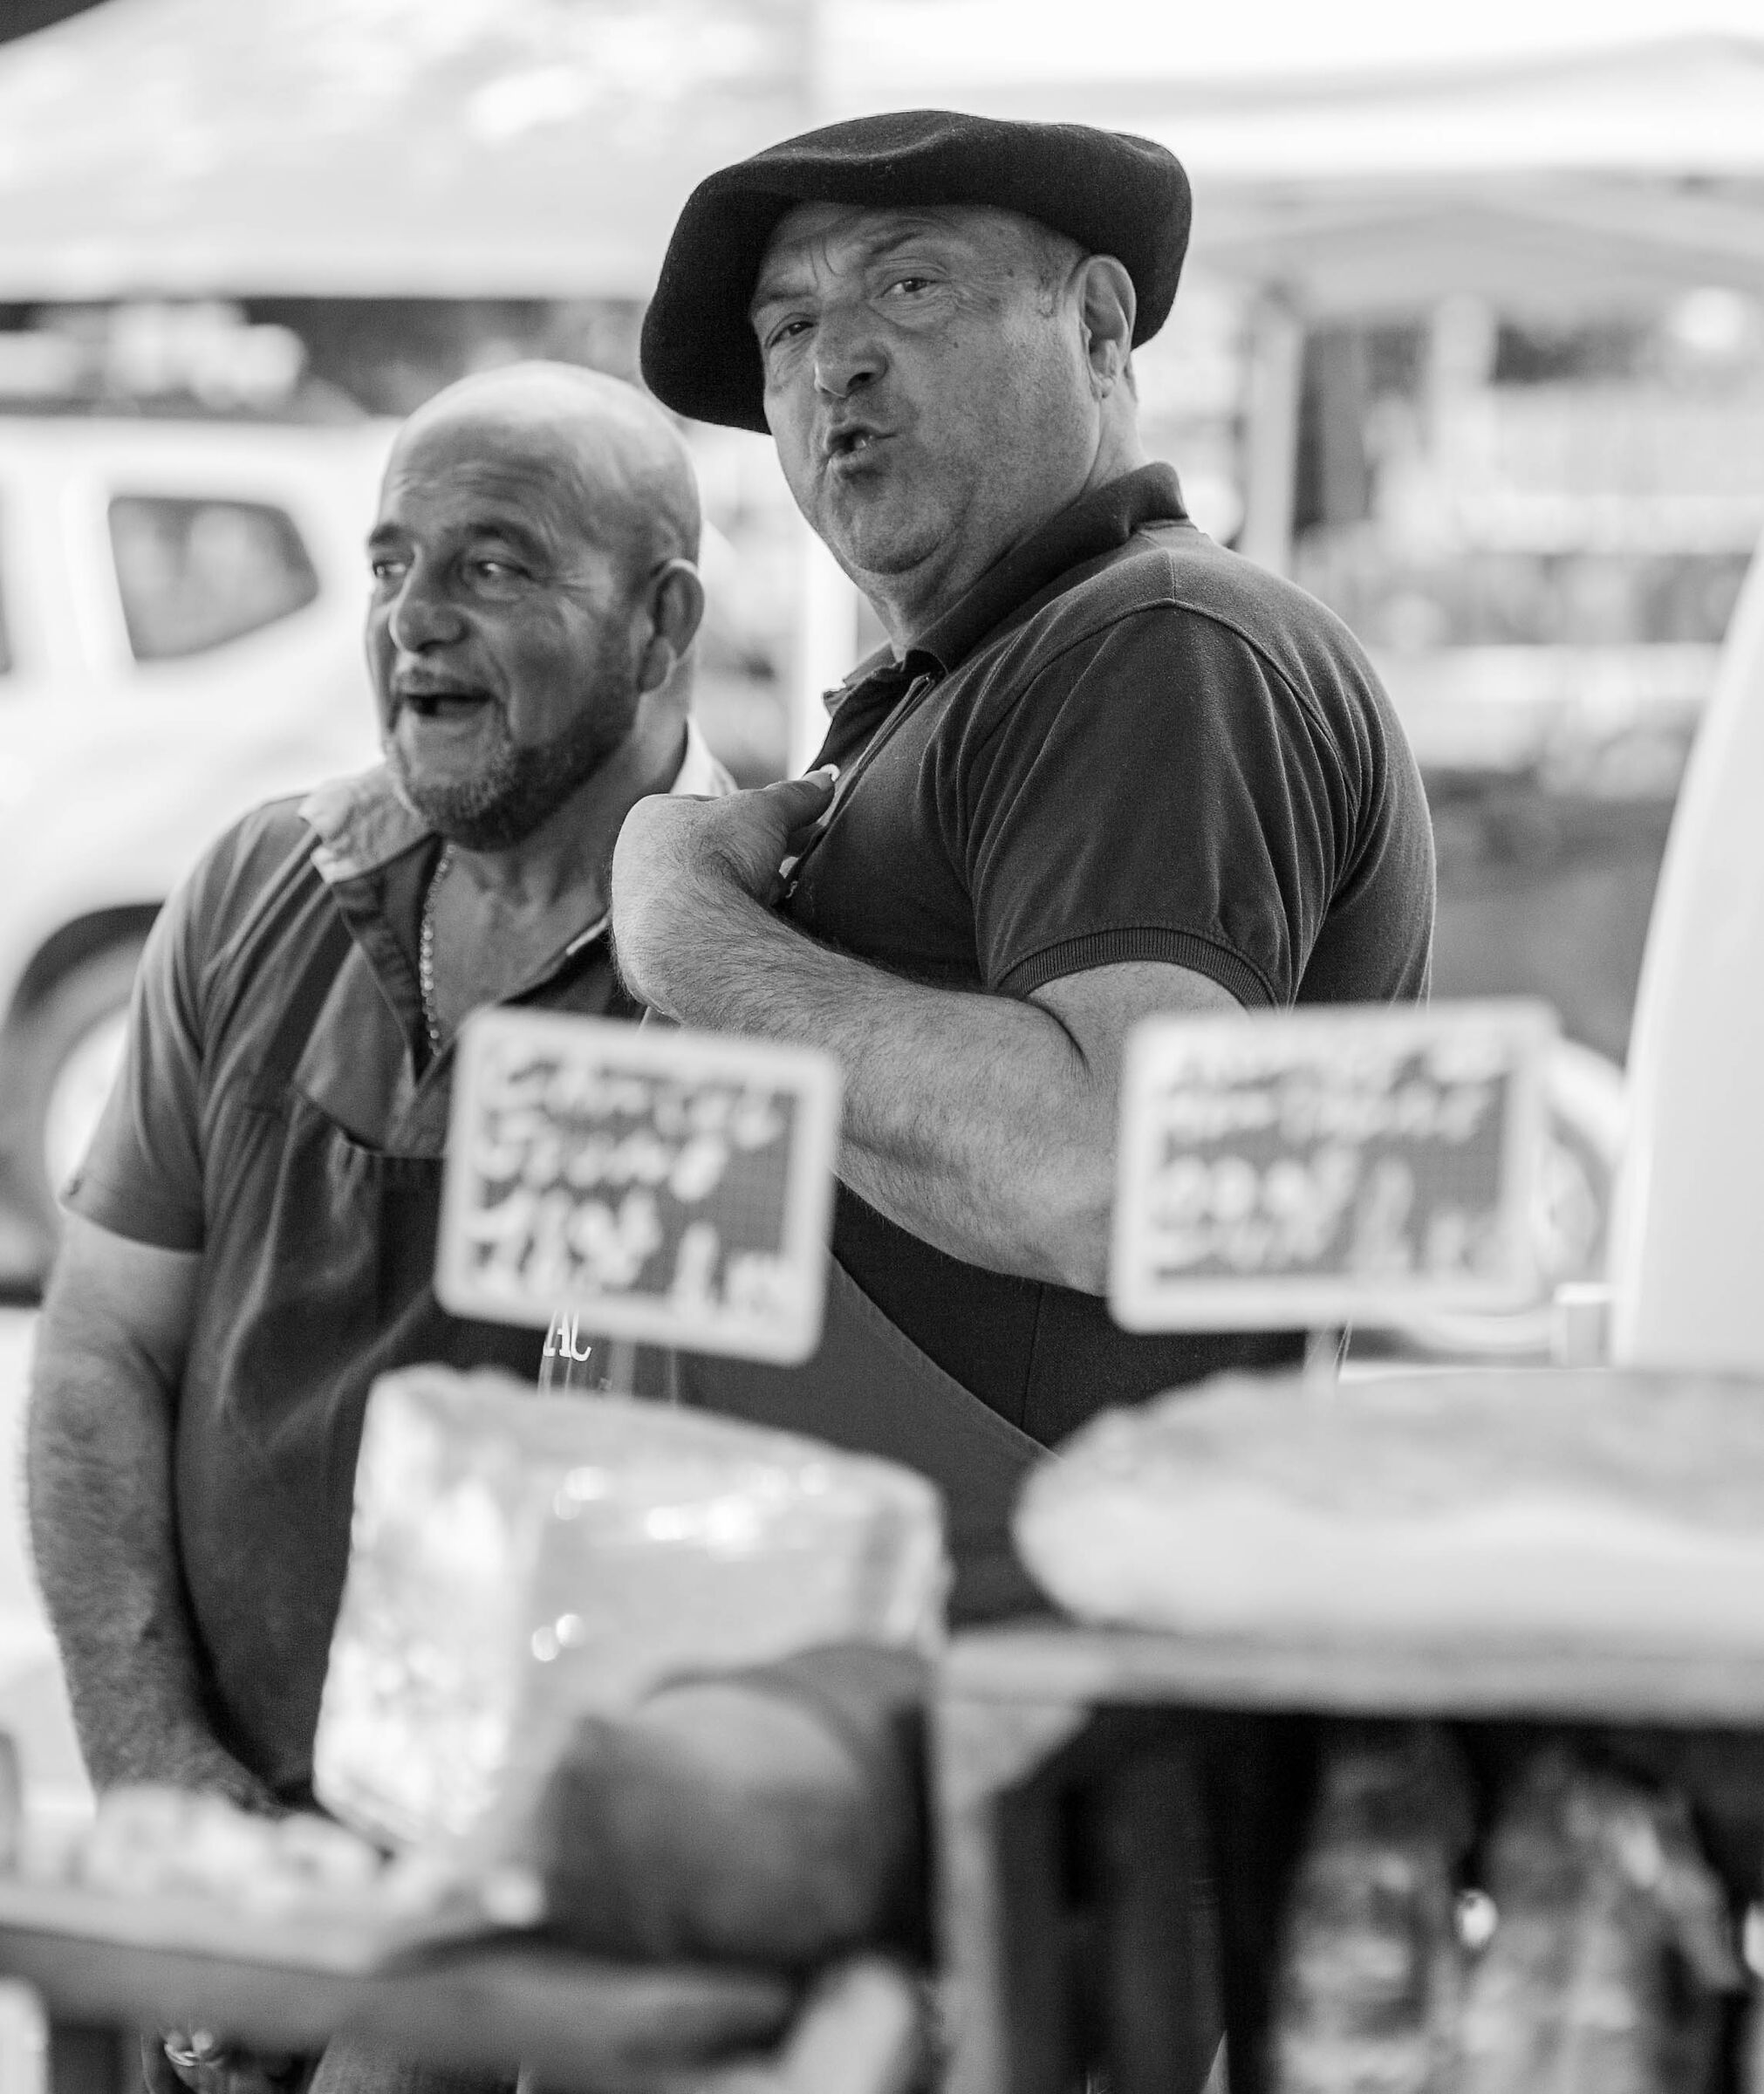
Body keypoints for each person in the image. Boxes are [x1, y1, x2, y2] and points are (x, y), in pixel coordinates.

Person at [568, 109, 1434, 2086]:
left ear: (1102, 327)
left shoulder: (1160, 644)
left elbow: (1103, 1173)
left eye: (911, 286)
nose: (835, 367)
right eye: (789, 329)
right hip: (889, 1747)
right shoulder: (979, 678)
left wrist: (680, 919)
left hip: (1039, 1773)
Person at [25, 360, 729, 2092]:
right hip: (228, 1895)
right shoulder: (252, 889)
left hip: (531, 1958)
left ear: (661, 623)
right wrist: (167, 1796)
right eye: (391, 564)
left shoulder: (750, 968)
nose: (415, 619)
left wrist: (417, 1993)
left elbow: (693, 1532)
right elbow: (101, 1347)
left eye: (493, 565)